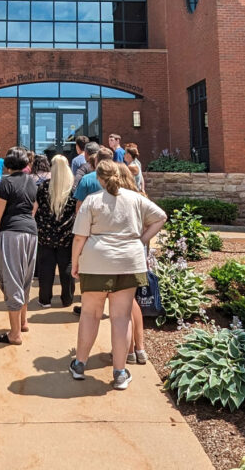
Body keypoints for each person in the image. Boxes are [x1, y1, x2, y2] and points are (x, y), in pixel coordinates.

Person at [69, 160, 166, 390]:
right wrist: (140, 240)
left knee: (90, 315)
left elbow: (79, 237)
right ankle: (120, 372)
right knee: (121, 318)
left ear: (99, 178)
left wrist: (74, 264)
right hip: (128, 262)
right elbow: (161, 216)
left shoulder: (92, 200)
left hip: (95, 262)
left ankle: (80, 364)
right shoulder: (135, 198)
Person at [0, 147, 38, 345]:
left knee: (11, 279)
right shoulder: (32, 182)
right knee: (25, 278)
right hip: (30, 232)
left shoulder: (6, 182)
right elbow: (34, 207)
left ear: (8, 165)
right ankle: (23, 322)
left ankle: (15, 334)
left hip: (11, 232)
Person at [116, 163, 150, 364]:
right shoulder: (141, 198)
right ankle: (140, 349)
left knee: (122, 305)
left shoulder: (122, 200)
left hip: (122, 257)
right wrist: (142, 241)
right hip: (138, 256)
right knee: (131, 302)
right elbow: (158, 218)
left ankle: (127, 351)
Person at [35, 154, 77, 308]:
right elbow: (76, 212)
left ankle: (45, 299)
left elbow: (35, 208)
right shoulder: (72, 189)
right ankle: (67, 299)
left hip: (45, 234)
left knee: (46, 267)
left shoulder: (43, 186)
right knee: (66, 267)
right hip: (66, 235)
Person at [74, 146, 114, 211]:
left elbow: (79, 206)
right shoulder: (118, 177)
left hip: (92, 217)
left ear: (96, 160)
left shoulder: (86, 179)